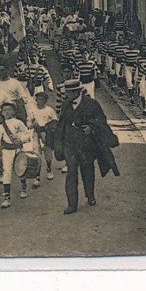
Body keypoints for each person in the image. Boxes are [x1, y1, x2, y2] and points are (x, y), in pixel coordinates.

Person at [54, 79, 118, 215]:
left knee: (88, 171)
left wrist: (91, 128)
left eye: (69, 92)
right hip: (70, 145)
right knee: (71, 173)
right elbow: (62, 123)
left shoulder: (92, 104)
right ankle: (72, 204)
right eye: (66, 92)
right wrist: (59, 142)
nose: (66, 95)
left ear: (76, 92)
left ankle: (90, 195)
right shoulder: (66, 104)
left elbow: (101, 120)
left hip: (87, 145)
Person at [0, 101, 32, 207]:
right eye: (4, 110)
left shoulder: (18, 122)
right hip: (7, 152)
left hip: (18, 150)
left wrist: (22, 140)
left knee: (21, 169)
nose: (7, 112)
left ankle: (23, 188)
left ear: (14, 111)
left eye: (9, 109)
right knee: (7, 172)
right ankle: (7, 198)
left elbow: (28, 133)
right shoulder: (1, 126)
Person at [31, 90, 58, 184]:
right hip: (35, 133)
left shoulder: (49, 110)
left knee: (47, 152)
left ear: (45, 100)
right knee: (36, 154)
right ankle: (37, 176)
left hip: (46, 133)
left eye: (42, 99)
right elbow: (28, 122)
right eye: (38, 99)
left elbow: (55, 121)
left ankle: (49, 169)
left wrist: (47, 127)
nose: (39, 101)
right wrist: (32, 124)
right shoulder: (32, 110)